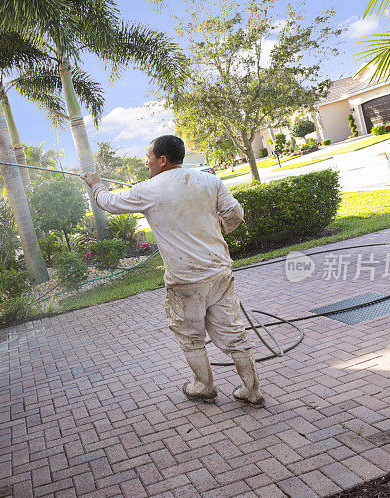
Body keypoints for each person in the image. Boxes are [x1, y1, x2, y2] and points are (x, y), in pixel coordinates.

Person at [82, 135, 264, 405]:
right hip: (219, 273)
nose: (147, 162)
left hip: (185, 280)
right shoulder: (209, 180)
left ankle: (203, 386)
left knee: (190, 337)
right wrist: (222, 229)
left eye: (149, 157)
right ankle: (252, 391)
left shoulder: (148, 189)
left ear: (163, 160)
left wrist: (96, 185)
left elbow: (109, 203)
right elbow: (235, 214)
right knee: (234, 334)